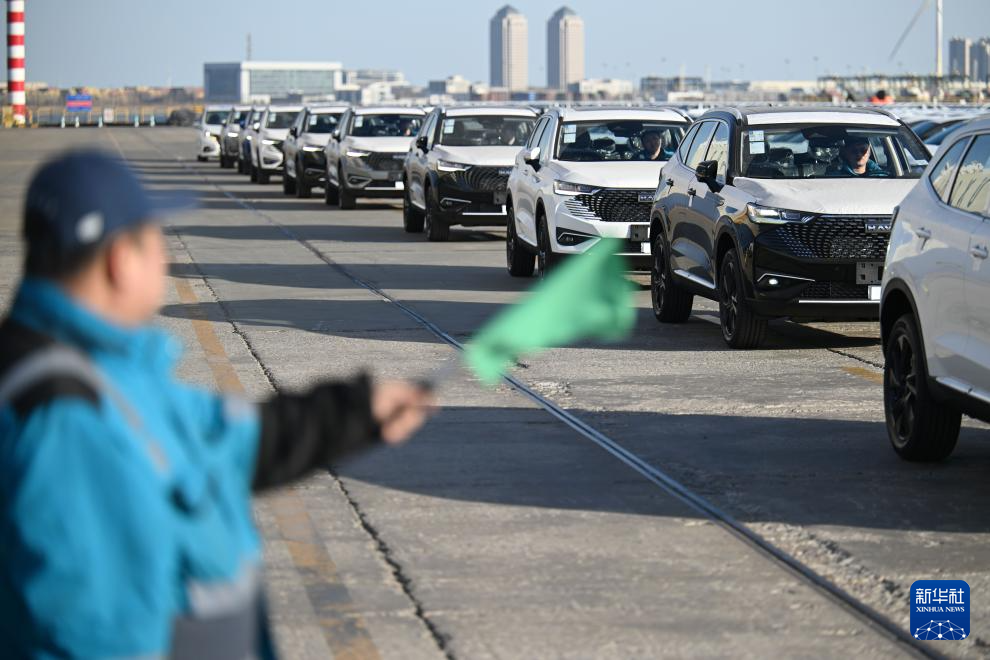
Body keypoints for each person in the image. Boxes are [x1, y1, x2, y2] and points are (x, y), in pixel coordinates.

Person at [0, 151, 434, 658]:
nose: (166, 258)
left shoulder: (99, 367)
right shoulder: (66, 422)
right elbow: (98, 635)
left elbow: (222, 438)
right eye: (157, 240)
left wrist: (355, 412)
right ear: (121, 260)